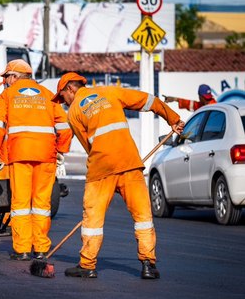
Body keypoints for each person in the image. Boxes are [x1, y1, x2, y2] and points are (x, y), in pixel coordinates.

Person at [52, 72, 185, 279]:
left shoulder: (74, 112)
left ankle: (87, 265)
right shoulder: (110, 91)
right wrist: (173, 119)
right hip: (129, 163)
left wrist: (106, 168)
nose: (63, 103)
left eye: (62, 98)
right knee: (142, 216)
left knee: (92, 219)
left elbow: (89, 147)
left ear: (70, 89)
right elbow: (149, 100)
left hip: (101, 168)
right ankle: (148, 264)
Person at [0, 60, 73, 261]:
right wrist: (61, 151)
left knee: (21, 203)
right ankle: (41, 248)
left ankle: (23, 249)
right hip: (46, 156)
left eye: (7, 77)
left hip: (20, 155)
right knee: (42, 204)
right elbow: (65, 128)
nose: (5, 82)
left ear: (15, 77)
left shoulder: (7, 95)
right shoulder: (48, 96)